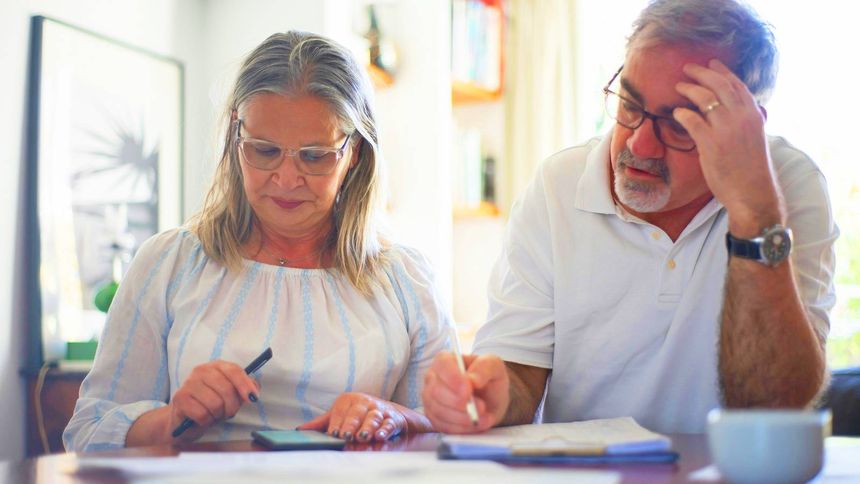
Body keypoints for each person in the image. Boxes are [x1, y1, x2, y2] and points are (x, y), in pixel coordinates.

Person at [422, 0, 837, 434]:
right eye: (629, 105)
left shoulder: (788, 186)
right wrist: (490, 396)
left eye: (679, 125)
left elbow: (771, 405)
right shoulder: (558, 185)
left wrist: (754, 211)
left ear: (744, 127)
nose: (639, 146)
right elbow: (519, 375)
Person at [64, 31, 452, 451]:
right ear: (236, 136)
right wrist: (176, 419)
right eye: (264, 151)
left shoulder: (406, 280)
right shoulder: (169, 263)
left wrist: (397, 417)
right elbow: (88, 432)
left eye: (314, 155)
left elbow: (451, 434)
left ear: (354, 151)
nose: (286, 179)